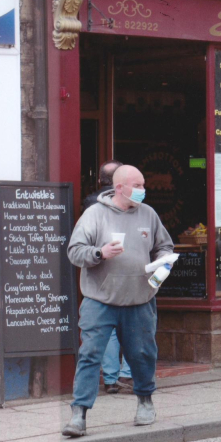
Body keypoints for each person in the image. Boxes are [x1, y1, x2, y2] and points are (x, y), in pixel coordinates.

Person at [63, 165, 174, 437]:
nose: (143, 190)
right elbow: (74, 252)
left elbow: (165, 246)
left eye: (144, 184)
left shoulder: (148, 214)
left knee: (143, 355)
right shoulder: (94, 215)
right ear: (120, 188)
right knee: (90, 356)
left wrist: (163, 266)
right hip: (100, 300)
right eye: (137, 185)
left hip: (139, 298)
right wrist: (100, 253)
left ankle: (145, 401)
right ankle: (79, 414)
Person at [83, 159, 133, 394]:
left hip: (100, 275)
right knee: (131, 328)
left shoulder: (89, 203)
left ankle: (111, 378)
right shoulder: (129, 204)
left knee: (110, 331)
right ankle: (128, 375)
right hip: (126, 273)